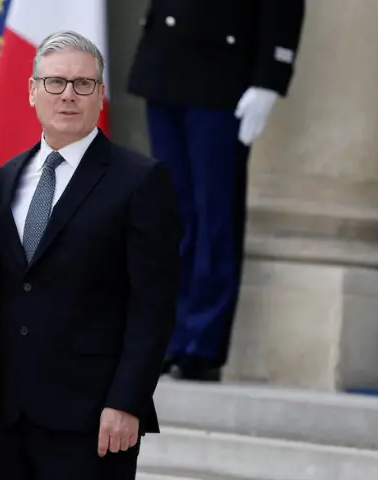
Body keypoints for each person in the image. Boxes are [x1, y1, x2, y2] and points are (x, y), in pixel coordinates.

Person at [0, 30, 182, 479]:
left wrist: (127, 402)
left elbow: (153, 307)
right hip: (14, 414)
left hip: (95, 417)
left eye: (83, 83)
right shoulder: (7, 176)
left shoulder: (140, 180)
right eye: (55, 82)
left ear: (100, 94)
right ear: (33, 91)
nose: (68, 95)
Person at [126, 0, 305, 380]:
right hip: (166, 66)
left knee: (215, 216)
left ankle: (202, 343)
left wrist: (270, 79)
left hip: (223, 76)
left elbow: (284, 9)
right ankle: (168, 337)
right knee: (173, 215)